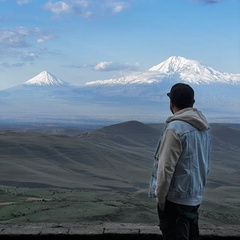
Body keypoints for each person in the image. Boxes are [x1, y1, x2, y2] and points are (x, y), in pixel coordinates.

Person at [148, 83, 211, 240]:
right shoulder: (202, 127)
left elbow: (165, 167)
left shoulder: (175, 128)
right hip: (195, 196)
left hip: (175, 199)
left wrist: (161, 197)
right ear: (193, 102)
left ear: (171, 103)